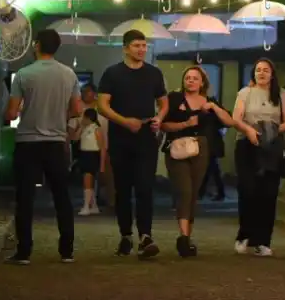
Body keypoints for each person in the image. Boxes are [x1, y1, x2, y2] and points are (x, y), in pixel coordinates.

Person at [4, 29, 82, 265]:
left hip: (28, 142)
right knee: (62, 196)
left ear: (36, 45)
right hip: (56, 143)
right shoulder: (69, 75)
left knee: (25, 198)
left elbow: (11, 112)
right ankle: (66, 250)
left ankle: (24, 252)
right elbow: (77, 110)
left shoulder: (24, 75)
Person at [98, 30, 168, 259]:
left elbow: (163, 103)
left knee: (145, 188)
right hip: (121, 138)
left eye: (144, 45)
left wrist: (159, 118)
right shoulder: (112, 73)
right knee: (123, 190)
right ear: (126, 48)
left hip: (147, 138)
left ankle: (146, 236)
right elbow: (102, 106)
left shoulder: (154, 74)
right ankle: (126, 234)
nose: (141, 49)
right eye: (137, 45)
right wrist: (124, 121)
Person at [160, 66, 236, 257]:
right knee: (184, 190)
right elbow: (163, 124)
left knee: (193, 193)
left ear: (202, 82)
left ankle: (186, 237)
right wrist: (186, 124)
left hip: (201, 149)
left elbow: (229, 121)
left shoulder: (209, 102)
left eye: (195, 78)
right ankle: (183, 238)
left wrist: (214, 108)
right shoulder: (174, 99)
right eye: (188, 78)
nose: (191, 81)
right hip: (177, 148)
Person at [233, 58, 285, 257]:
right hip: (247, 145)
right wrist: (251, 130)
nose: (261, 73)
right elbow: (236, 118)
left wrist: (273, 130)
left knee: (268, 194)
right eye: (258, 70)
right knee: (248, 191)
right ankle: (244, 234)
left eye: (266, 70)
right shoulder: (245, 93)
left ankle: (263, 241)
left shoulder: (282, 95)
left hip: (271, 148)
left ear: (272, 74)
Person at [77, 108, 106, 216]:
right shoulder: (84, 128)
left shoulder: (96, 129)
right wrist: (80, 127)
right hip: (84, 154)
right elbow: (74, 138)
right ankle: (93, 206)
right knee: (87, 181)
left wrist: (102, 165)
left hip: (92, 155)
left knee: (88, 180)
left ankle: (86, 206)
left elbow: (102, 147)